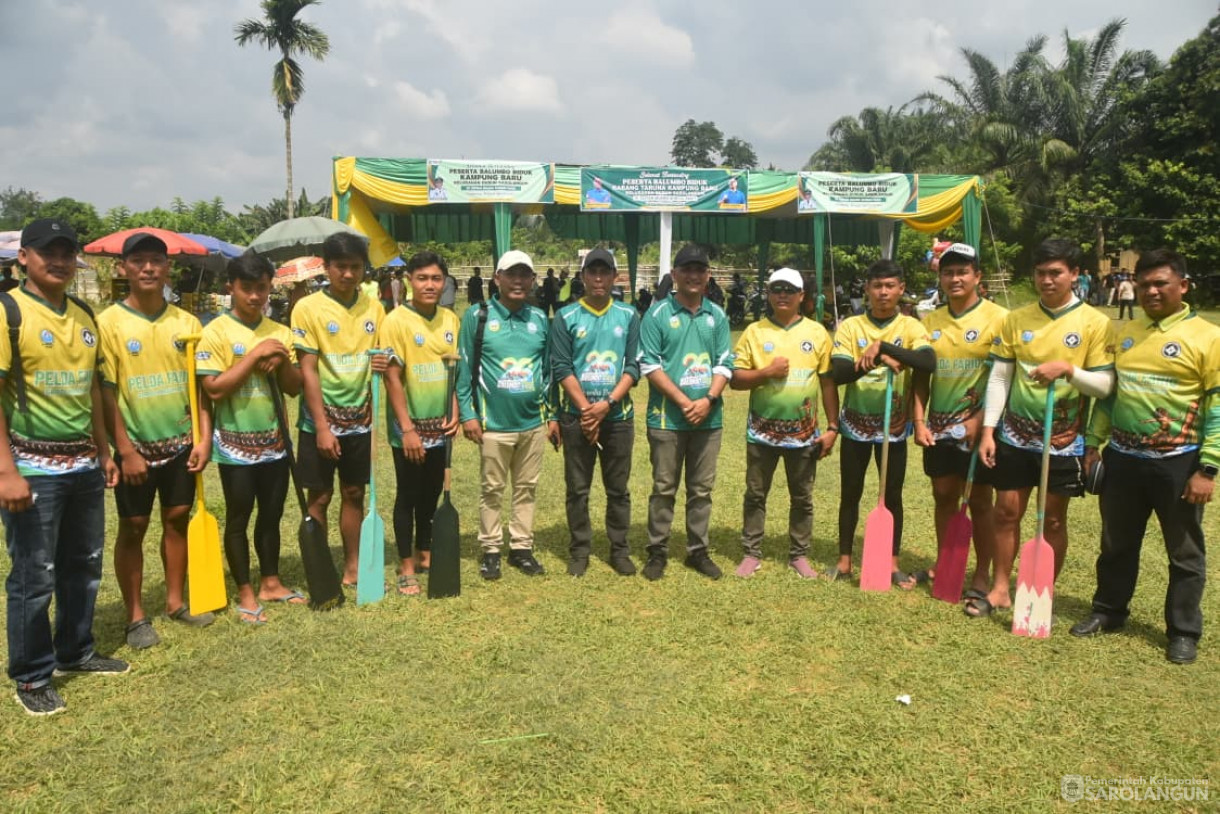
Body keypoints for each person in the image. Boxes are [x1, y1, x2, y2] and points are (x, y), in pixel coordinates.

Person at [1, 218, 125, 717]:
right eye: (46, 251)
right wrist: (7, 472)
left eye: (66, 252)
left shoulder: (84, 314)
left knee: (84, 564)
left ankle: (75, 651)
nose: (58, 260)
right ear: (24, 257)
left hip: (83, 466)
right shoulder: (9, 312)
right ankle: (31, 677)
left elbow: (93, 389)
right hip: (32, 468)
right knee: (35, 573)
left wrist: (104, 450)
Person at [1073, 249, 1219, 665]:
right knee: (1117, 543)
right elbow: (1108, 394)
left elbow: (1217, 407)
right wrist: (1092, 444)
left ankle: (1183, 631)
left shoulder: (1208, 338)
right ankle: (1109, 611)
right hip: (1123, 458)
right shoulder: (1126, 332)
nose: (1151, 291)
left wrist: (1208, 468)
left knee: (1184, 552)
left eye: (1161, 284)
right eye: (1144, 284)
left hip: (1179, 462)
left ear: (1183, 286)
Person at [972, 239, 1115, 618]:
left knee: (1052, 519)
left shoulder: (1094, 323)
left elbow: (1104, 386)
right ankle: (1001, 589)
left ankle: (1039, 595)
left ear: (1074, 275)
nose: (1047, 280)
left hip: (1064, 441)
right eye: (1041, 273)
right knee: (1006, 512)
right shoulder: (1015, 319)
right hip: (1015, 437)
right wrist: (988, 431)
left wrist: (1068, 370)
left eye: (1056, 273)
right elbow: (1000, 379)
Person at [98, 232, 214, 650]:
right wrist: (125, 450)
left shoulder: (186, 323)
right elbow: (106, 392)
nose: (148, 268)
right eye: (139, 261)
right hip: (136, 449)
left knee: (176, 520)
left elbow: (201, 389)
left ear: (169, 268)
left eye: (156, 261)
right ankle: (134, 618)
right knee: (133, 526)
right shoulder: (108, 324)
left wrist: (204, 438)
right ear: (124, 268)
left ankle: (175, 603)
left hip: (181, 443)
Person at [197, 251, 305, 624]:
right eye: (247, 288)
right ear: (231, 287)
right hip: (234, 449)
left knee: (272, 515)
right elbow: (213, 388)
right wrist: (254, 356)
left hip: (275, 445)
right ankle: (245, 589)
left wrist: (282, 364)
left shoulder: (280, 333)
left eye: (262, 288)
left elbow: (294, 388)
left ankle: (270, 582)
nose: (255, 296)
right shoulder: (215, 332)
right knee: (240, 517)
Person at [290, 232, 386, 589]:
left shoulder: (374, 307)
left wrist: (381, 362)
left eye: (355, 267)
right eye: (340, 267)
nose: (348, 274)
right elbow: (308, 370)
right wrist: (322, 427)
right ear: (326, 268)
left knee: (353, 493)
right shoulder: (307, 308)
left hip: (360, 422)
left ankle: (353, 566)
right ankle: (319, 567)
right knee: (320, 495)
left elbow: (379, 358)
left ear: (364, 269)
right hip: (319, 422)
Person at [911, 243, 1007, 599]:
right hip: (937, 428)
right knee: (943, 495)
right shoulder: (930, 322)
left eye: (963, 271)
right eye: (948, 272)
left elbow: (1004, 379)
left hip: (979, 431)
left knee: (981, 500)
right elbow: (921, 377)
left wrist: (981, 423)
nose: (955, 278)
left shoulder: (999, 319)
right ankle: (945, 564)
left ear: (977, 277)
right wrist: (918, 421)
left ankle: (982, 575)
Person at [830, 259, 935, 586]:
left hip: (894, 429)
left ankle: (891, 564)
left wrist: (886, 347)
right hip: (855, 428)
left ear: (901, 289)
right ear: (867, 290)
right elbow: (839, 373)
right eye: (877, 286)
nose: (883, 292)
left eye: (890, 286)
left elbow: (927, 362)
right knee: (851, 492)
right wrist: (878, 359)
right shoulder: (850, 326)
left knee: (892, 495)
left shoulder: (911, 326)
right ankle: (845, 561)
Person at [731, 267, 839, 579]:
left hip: (804, 435)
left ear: (801, 296)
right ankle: (751, 553)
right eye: (776, 289)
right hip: (762, 434)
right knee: (755, 495)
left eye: (789, 290)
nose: (782, 295)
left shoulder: (817, 333)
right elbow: (736, 380)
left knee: (802, 497)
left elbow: (828, 383)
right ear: (768, 293)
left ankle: (799, 555)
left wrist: (833, 427)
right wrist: (766, 372)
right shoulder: (755, 332)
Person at [457, 250, 558, 580]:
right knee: (492, 489)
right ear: (496, 278)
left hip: (531, 422)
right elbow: (464, 371)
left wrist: (551, 415)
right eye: (511, 274)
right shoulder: (478, 315)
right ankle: (490, 550)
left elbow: (547, 371)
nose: (518, 281)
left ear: (532, 280)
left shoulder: (540, 318)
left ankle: (521, 548)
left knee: (526, 487)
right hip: (493, 423)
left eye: (524, 275)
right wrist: (468, 415)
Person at [638, 244, 733, 580]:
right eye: (687, 270)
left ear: (708, 276)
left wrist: (707, 400)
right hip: (667, 419)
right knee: (664, 488)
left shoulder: (717, 315)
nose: (694, 276)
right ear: (674, 275)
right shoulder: (657, 315)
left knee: (701, 490)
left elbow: (725, 363)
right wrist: (683, 401)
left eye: (700, 270)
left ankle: (697, 551)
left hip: (709, 419)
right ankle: (657, 552)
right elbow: (649, 363)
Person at [549, 248, 641, 577]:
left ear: (615, 277)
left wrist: (607, 405)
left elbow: (633, 367)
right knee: (578, 489)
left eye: (605, 272)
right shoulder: (566, 317)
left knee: (618, 489)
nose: (599, 278)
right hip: (577, 418)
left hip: (617, 417)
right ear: (583, 276)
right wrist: (587, 410)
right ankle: (580, 551)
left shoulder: (629, 316)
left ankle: (619, 550)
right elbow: (561, 366)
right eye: (592, 272)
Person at [380, 251, 461, 594]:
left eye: (436, 279)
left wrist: (454, 409)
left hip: (440, 427)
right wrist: (408, 430)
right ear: (409, 280)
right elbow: (392, 379)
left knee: (431, 492)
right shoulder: (395, 321)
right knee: (408, 495)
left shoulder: (450, 319)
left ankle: (425, 550)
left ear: (445, 282)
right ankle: (406, 566)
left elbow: (451, 370)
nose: (430, 285)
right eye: (423, 278)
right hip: (409, 428)